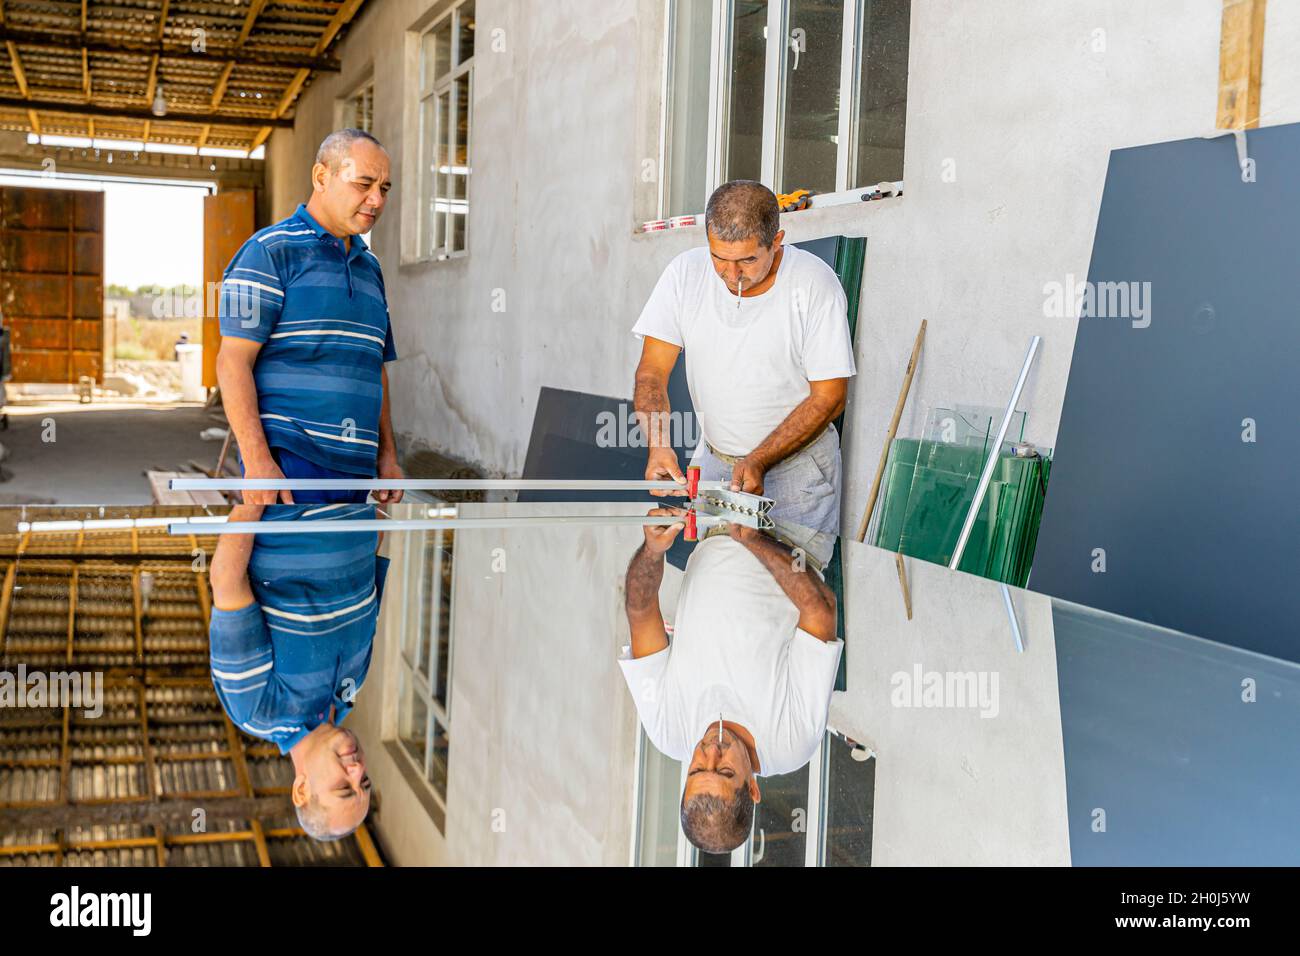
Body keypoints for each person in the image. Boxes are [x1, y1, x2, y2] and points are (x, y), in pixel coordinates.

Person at [632, 180, 856, 535]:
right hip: (714, 461)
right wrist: (658, 445)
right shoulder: (683, 274)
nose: (732, 275)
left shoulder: (814, 284)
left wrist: (760, 460)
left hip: (798, 472)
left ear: (776, 242)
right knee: (717, 577)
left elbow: (830, 397)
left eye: (748, 260)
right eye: (719, 258)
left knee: (796, 579)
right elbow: (652, 373)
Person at [619, 507, 843, 855]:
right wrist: (754, 539)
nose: (710, 751)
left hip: (714, 511)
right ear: (752, 789)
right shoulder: (790, 741)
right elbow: (821, 609)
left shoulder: (667, 729)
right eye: (724, 770)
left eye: (697, 770)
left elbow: (640, 610)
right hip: (791, 523)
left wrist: (652, 551)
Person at [217, 128, 404, 506]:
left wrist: (388, 457)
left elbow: (374, 366)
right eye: (364, 184)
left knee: (352, 566)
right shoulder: (268, 254)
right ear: (322, 177)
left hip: (357, 466)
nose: (376, 199)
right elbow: (233, 360)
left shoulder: (370, 268)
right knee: (293, 564)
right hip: (292, 464)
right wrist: (257, 461)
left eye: (384, 188)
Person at [208, 503, 390, 841]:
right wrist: (377, 500)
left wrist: (254, 495)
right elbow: (364, 573)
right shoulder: (353, 687)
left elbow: (226, 580)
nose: (358, 768)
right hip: (353, 484)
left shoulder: (257, 710)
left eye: (343, 787)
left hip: (291, 494)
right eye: (363, 781)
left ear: (302, 790)